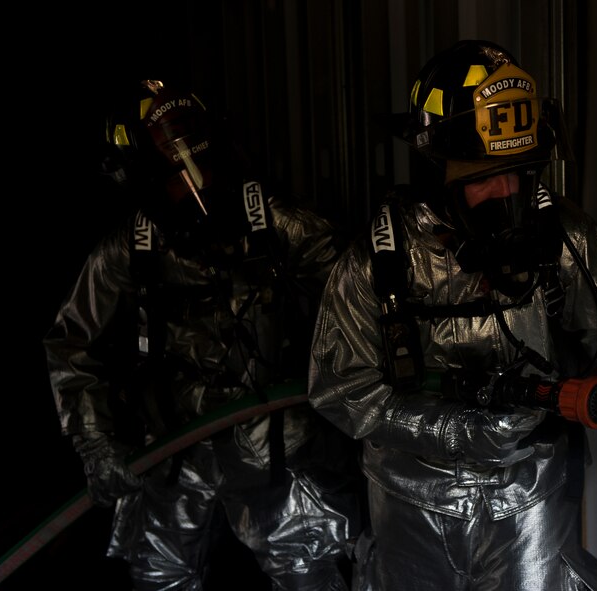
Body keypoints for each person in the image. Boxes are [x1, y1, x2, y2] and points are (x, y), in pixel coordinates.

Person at [308, 40, 597, 590]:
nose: (506, 193)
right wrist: (452, 431)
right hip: (410, 515)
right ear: (437, 171)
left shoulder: (562, 238)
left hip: (530, 506)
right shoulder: (380, 261)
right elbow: (340, 388)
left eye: (519, 171)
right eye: (483, 175)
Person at [44, 78, 361, 590]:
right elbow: (73, 342)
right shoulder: (132, 247)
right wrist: (96, 441)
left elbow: (361, 298)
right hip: (171, 449)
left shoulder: (274, 223)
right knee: (159, 574)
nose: (199, 187)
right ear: (143, 181)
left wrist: (355, 389)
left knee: (309, 569)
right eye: (177, 177)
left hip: (276, 442)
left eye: (205, 165)